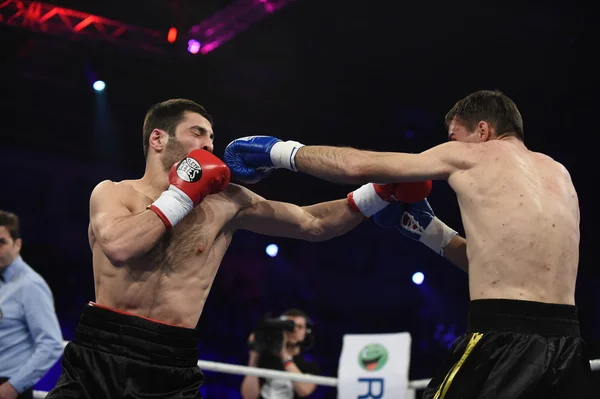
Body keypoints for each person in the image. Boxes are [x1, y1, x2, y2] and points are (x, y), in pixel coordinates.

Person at [44, 99, 428, 399]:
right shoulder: (114, 192)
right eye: (198, 133)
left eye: (212, 137)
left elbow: (312, 223)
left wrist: (377, 194)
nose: (210, 145)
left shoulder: (227, 202)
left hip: (171, 360)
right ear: (158, 138)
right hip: (101, 350)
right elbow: (119, 246)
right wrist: (182, 195)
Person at [224, 90, 593, 398]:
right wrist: (428, 231)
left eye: (453, 136)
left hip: (502, 337)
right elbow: (496, 265)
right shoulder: (560, 174)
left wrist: (279, 151)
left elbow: (359, 167)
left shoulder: (473, 153)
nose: (450, 145)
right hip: (568, 344)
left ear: (483, 130)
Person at [0, 210, 64, 399]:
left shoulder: (30, 285)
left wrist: (12, 387)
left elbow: (51, 344)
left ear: (17, 244)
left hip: (8, 386)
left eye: (1, 242)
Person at [241, 308, 321, 399]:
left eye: (299, 327)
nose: (294, 330)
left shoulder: (310, 364)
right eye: (289, 326)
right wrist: (254, 357)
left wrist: (283, 354)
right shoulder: (263, 358)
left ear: (306, 332)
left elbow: (304, 390)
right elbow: (248, 396)